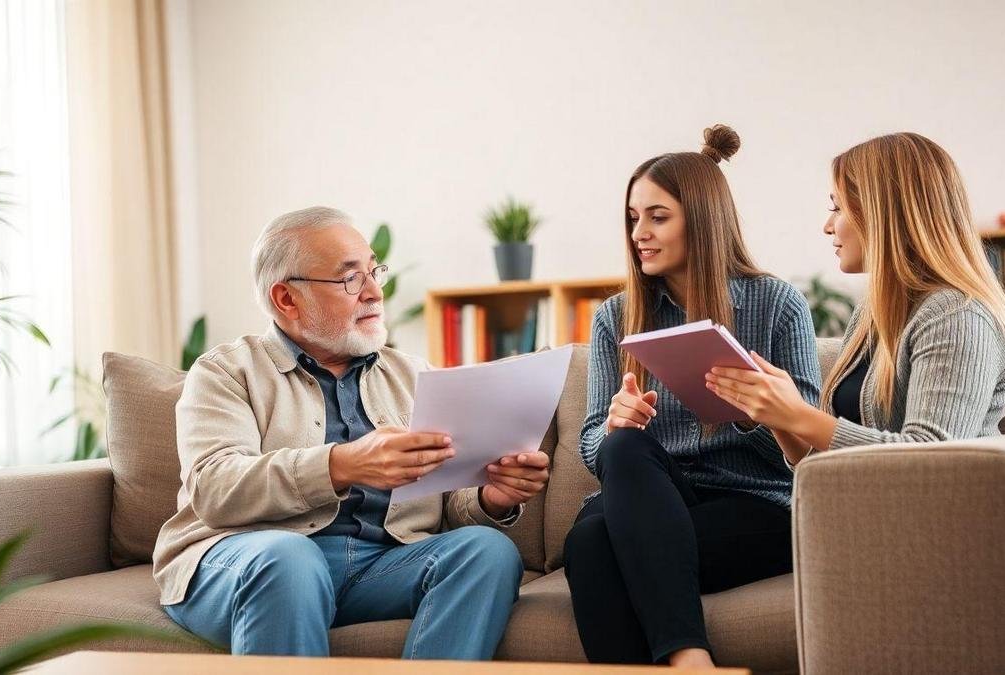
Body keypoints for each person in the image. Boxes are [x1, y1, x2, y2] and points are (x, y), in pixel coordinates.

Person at [152, 207, 551, 659]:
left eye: (373, 271)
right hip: (249, 559)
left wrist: (490, 497)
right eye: (350, 279)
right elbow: (215, 488)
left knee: (486, 551)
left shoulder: (413, 374)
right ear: (286, 298)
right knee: (290, 561)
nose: (375, 292)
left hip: (380, 565)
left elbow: (445, 502)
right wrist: (342, 464)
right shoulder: (226, 372)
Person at [563, 125, 821, 668]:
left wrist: (757, 413)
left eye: (658, 217)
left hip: (754, 502)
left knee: (594, 547)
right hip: (651, 497)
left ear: (701, 221)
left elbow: (809, 454)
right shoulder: (617, 315)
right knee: (622, 450)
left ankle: (688, 659)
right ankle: (690, 660)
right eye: (633, 218)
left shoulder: (777, 304)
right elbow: (591, 449)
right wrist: (613, 426)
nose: (640, 233)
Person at [707, 131, 1005, 467]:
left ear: (882, 213)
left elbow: (932, 456)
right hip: (859, 503)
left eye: (837, 208)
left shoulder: (956, 315)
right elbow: (822, 459)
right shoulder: (873, 311)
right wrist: (780, 419)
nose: (827, 226)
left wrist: (800, 415)